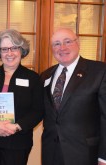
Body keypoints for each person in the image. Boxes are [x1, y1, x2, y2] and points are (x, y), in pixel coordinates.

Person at [0, 29, 44, 165]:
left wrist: (16, 127)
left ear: (21, 50)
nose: (9, 53)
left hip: (17, 142)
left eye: (14, 48)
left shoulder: (33, 78)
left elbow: (38, 111)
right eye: (4, 49)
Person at [41, 28, 106, 165]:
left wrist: (103, 157)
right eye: (56, 44)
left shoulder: (99, 71)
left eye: (67, 41)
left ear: (78, 43)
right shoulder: (46, 75)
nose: (62, 48)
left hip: (85, 154)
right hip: (51, 153)